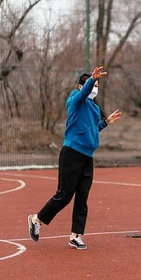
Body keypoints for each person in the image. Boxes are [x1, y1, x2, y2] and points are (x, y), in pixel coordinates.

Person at [28, 66, 122, 250]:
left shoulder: (94, 108)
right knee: (64, 195)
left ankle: (76, 235)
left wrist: (106, 123)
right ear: (81, 86)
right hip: (71, 154)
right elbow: (83, 93)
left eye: (97, 86)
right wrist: (91, 80)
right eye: (92, 85)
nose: (95, 88)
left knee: (82, 198)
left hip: (88, 157)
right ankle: (36, 219)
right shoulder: (75, 101)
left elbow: (92, 130)